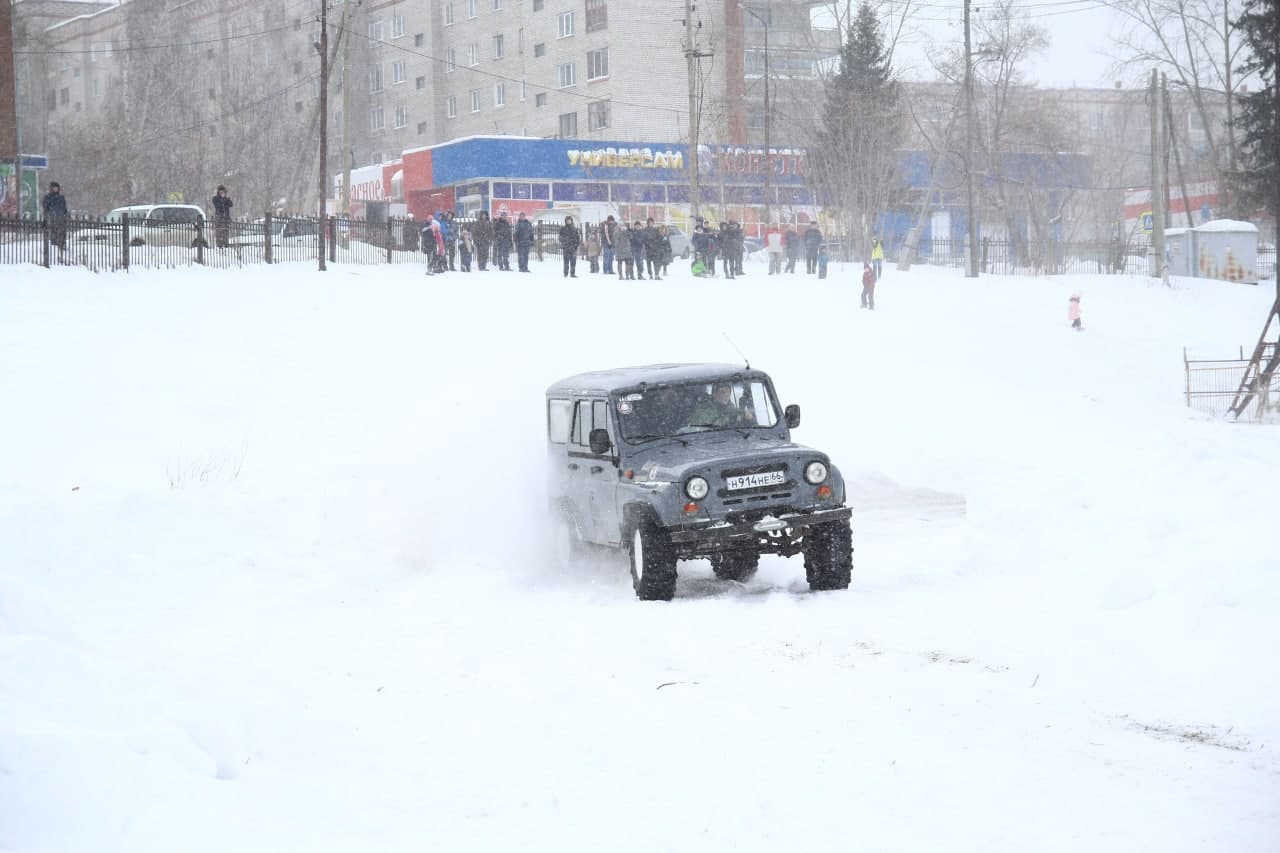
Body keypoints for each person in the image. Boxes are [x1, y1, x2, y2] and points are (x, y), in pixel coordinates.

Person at [42, 181, 69, 251]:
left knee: (62, 232)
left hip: (61, 218)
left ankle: (62, 244)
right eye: (54, 188)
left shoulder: (61, 197)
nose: (55, 189)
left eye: (57, 188)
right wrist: (46, 218)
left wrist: (65, 215)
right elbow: (45, 208)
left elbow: (64, 207)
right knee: (54, 232)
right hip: (52, 218)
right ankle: (55, 245)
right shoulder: (48, 197)